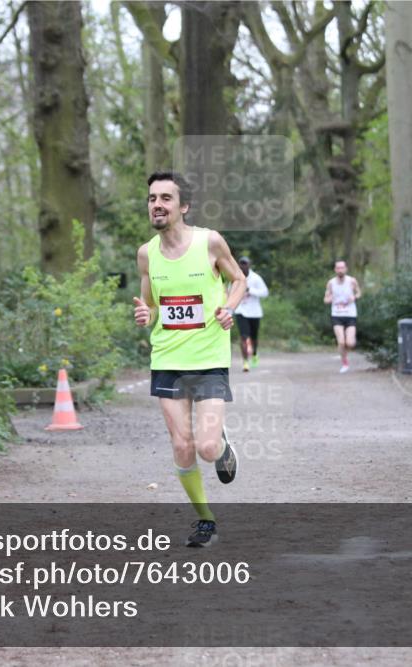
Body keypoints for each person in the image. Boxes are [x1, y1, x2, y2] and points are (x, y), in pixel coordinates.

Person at [132, 171, 246, 547]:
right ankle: (205, 520)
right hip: (167, 357)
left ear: (183, 207)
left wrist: (229, 308)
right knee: (182, 445)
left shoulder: (210, 242)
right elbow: (150, 303)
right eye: (152, 198)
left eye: (166, 198)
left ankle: (222, 445)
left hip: (209, 357)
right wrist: (147, 314)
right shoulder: (146, 254)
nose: (157, 204)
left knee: (207, 448)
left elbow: (238, 280)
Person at [324, 260, 362, 373]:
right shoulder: (331, 283)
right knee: (341, 342)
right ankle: (344, 362)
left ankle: (343, 352)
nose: (340, 270)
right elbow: (325, 299)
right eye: (338, 268)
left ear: (346, 269)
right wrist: (329, 299)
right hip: (337, 314)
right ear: (335, 270)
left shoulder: (352, 281)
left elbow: (359, 293)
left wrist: (354, 297)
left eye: (342, 268)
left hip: (350, 314)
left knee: (350, 343)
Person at [233, 256, 269, 372]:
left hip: (254, 312)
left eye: (245, 263)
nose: (243, 265)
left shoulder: (256, 278)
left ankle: (254, 353)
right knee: (244, 337)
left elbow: (265, 292)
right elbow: (230, 293)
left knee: (253, 338)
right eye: (241, 263)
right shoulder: (235, 278)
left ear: (249, 264)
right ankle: (245, 362)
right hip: (241, 311)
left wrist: (250, 290)